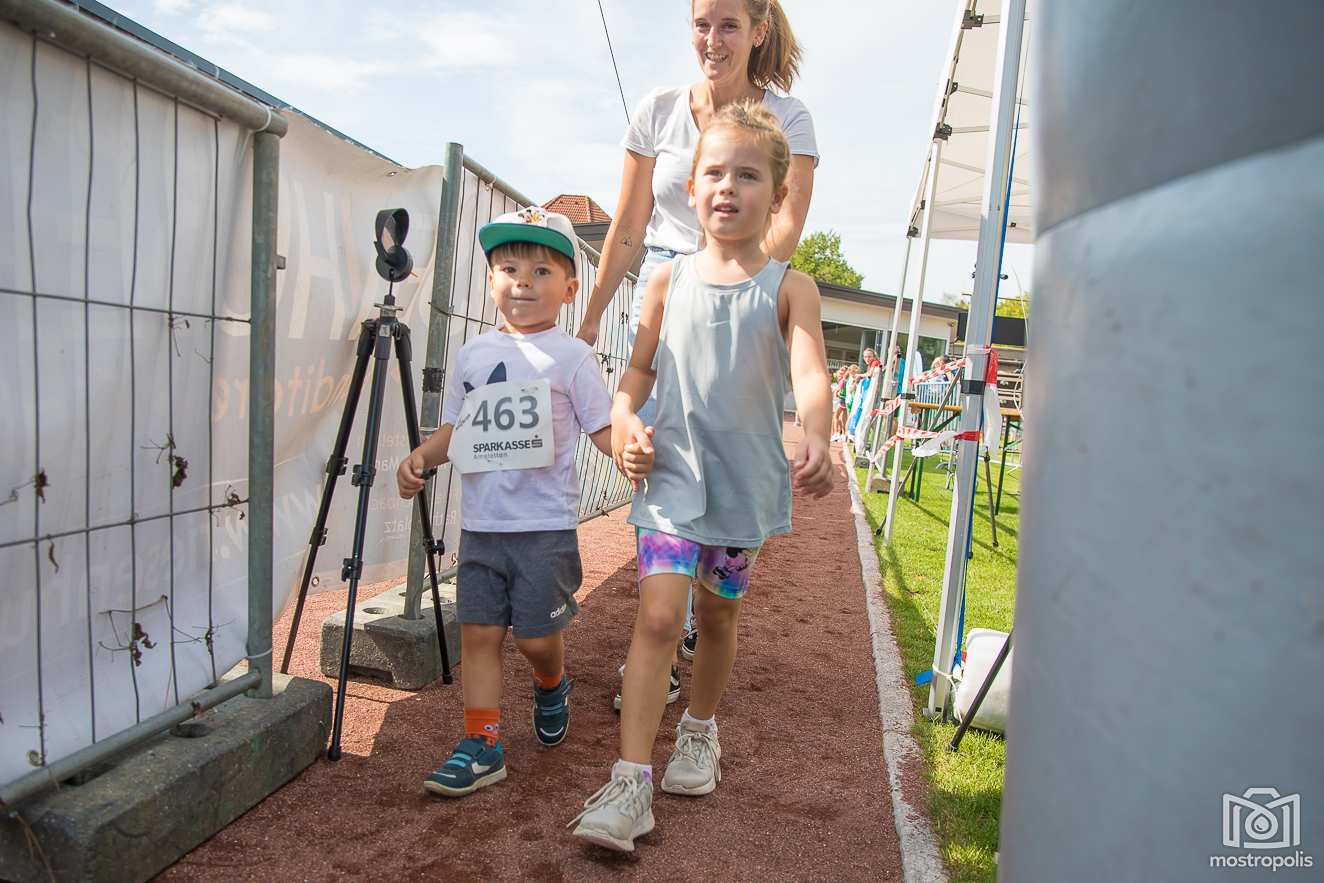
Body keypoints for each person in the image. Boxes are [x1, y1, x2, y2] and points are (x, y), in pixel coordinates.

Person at [569, 100, 833, 852]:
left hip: (744, 487)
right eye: (714, 172)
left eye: (747, 175)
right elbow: (637, 373)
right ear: (690, 188)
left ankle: (699, 730)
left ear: (776, 196)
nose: (727, 187)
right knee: (657, 619)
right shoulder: (664, 280)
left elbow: (811, 374)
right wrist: (625, 421)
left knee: (717, 617)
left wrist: (816, 433)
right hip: (671, 482)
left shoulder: (792, 288)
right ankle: (629, 784)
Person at [575, 0, 819, 700]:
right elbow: (629, 224)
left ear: (758, 31)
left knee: (721, 451)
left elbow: (788, 220)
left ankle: (696, 616)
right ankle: (661, 627)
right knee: (655, 455)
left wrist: (738, 280)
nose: (713, 39)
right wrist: (592, 317)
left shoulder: (789, 119)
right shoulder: (657, 112)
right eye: (702, 24)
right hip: (664, 287)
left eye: (729, 24)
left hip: (742, 288)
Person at [396, 208, 634, 798]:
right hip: (481, 527)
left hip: (544, 529)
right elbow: (456, 428)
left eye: (540, 271)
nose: (522, 281)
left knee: (534, 638)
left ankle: (551, 683)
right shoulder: (472, 354)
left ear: (570, 289)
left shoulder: (573, 357)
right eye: (508, 269)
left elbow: (602, 428)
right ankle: (482, 744)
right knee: (478, 635)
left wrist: (630, 453)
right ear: (490, 280)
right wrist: (421, 457)